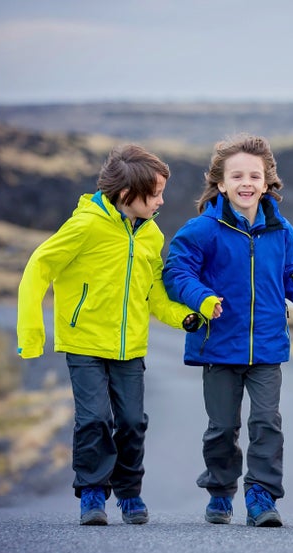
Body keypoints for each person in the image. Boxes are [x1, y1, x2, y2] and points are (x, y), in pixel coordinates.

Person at [17, 144, 201, 526]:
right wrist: (32, 332)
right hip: (83, 342)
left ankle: (130, 493)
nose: (161, 201)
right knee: (95, 419)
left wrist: (185, 317)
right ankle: (93, 493)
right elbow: (39, 266)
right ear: (125, 195)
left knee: (133, 421)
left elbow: (154, 292)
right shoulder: (85, 225)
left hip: (130, 346)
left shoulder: (151, 236)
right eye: (154, 194)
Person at [163, 133, 293, 527]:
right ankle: (221, 491)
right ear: (221, 183)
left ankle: (261, 496)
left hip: (267, 347)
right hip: (218, 346)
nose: (247, 183)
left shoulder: (281, 230)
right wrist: (203, 299)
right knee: (223, 427)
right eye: (237, 175)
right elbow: (176, 272)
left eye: (255, 176)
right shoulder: (202, 229)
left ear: (266, 182)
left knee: (266, 422)